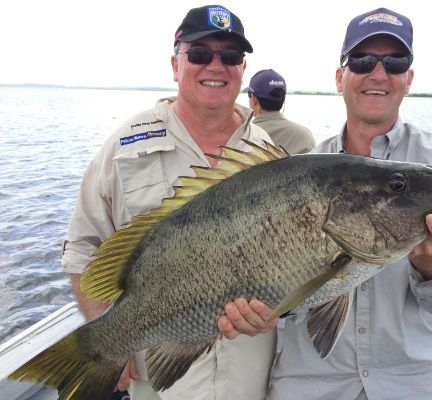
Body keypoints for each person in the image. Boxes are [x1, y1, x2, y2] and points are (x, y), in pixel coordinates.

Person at [219, 7, 432, 400]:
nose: (378, 73)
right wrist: (263, 312)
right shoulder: (305, 169)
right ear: (339, 77)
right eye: (362, 61)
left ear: (408, 78)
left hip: (415, 383)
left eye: (394, 62)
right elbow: (291, 300)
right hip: (310, 384)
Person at [61, 4, 279, 400]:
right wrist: (110, 339)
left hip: (249, 382)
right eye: (199, 54)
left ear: (242, 69)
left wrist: (274, 311)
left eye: (230, 56)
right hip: (160, 386)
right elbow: (81, 247)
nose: (216, 65)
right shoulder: (125, 146)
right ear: (175, 63)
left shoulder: (268, 156)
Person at [245, 69, 315, 154]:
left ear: (254, 100)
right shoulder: (305, 135)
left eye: (249, 94)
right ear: (283, 98)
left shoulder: (243, 135)